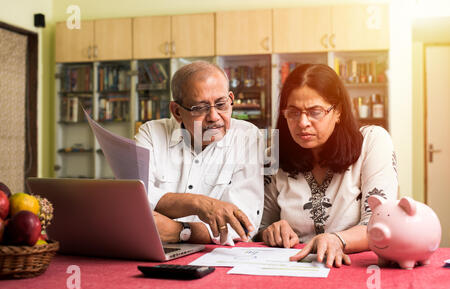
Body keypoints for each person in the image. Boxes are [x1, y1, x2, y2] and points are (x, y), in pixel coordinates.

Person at [258, 63, 398, 268]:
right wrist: (270, 231)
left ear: (338, 111)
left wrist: (337, 239)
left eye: (315, 112)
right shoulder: (274, 156)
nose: (303, 122)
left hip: (354, 267)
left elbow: (380, 223)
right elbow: (261, 223)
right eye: (293, 112)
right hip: (293, 267)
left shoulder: (372, 142)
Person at [135, 61, 264, 246]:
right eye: (200, 108)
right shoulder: (151, 134)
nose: (214, 116)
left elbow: (243, 225)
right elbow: (136, 200)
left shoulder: (247, 137)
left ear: (230, 99)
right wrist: (198, 203)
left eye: (221, 104)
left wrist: (180, 231)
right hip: (150, 249)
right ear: (177, 111)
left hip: (214, 257)